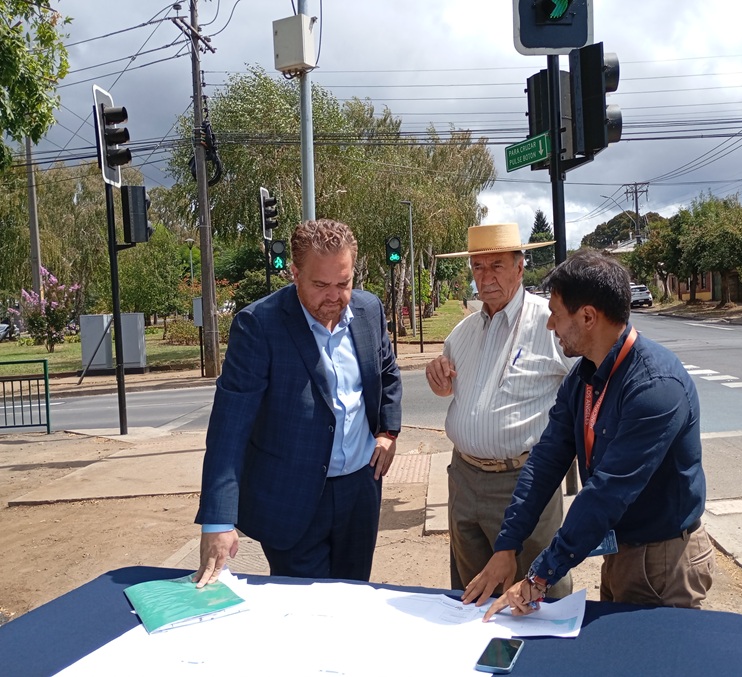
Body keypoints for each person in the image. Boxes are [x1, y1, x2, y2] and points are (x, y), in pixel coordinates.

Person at [462, 249, 713, 617]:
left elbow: (606, 494)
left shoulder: (654, 387)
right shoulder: (586, 376)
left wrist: (540, 576)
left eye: (556, 315)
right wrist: (507, 545)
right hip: (622, 551)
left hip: (663, 561)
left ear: (588, 317)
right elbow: (546, 460)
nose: (550, 326)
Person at [193, 218, 402, 587]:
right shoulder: (259, 326)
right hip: (292, 498)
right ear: (294, 273)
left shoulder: (369, 311)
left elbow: (386, 371)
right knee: (306, 615)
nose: (334, 297)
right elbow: (230, 427)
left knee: (354, 598)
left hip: (359, 493)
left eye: (344, 283)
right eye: (320, 285)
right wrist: (218, 521)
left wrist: (388, 431)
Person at [426, 223, 576, 597]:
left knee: (539, 592)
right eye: (478, 267)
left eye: (496, 266)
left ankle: (545, 658)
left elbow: (591, 386)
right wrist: (437, 378)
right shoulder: (461, 333)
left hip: (524, 482)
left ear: (520, 267)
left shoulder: (550, 323)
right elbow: (448, 387)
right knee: (471, 592)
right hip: (464, 479)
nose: (486, 277)